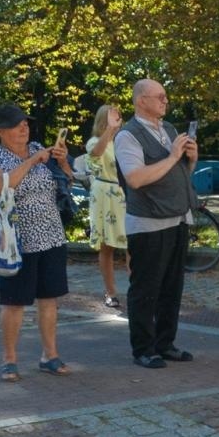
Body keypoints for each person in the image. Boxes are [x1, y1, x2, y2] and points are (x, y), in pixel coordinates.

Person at [0, 104, 74, 382]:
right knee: (14, 302)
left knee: (49, 299)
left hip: (51, 234)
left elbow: (68, 180)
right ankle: (9, 359)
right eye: (16, 124)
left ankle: (50, 354)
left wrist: (62, 162)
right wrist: (32, 161)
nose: (24, 127)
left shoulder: (37, 146)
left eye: (25, 123)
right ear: (0, 131)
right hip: (15, 239)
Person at [115, 79, 199, 369]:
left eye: (165, 96)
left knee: (171, 288)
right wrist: (175, 155)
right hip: (148, 223)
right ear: (141, 101)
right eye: (160, 97)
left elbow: (176, 172)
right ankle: (143, 348)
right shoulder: (128, 135)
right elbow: (135, 178)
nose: (166, 101)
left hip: (177, 218)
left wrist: (190, 159)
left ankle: (165, 343)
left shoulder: (170, 130)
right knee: (146, 289)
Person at [86, 104, 129, 309]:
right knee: (107, 246)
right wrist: (109, 132)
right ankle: (110, 292)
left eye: (119, 117)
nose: (117, 121)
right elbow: (96, 154)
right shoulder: (95, 141)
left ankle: (137, 290)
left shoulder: (125, 142)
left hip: (124, 195)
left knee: (133, 245)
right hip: (104, 196)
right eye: (113, 118)